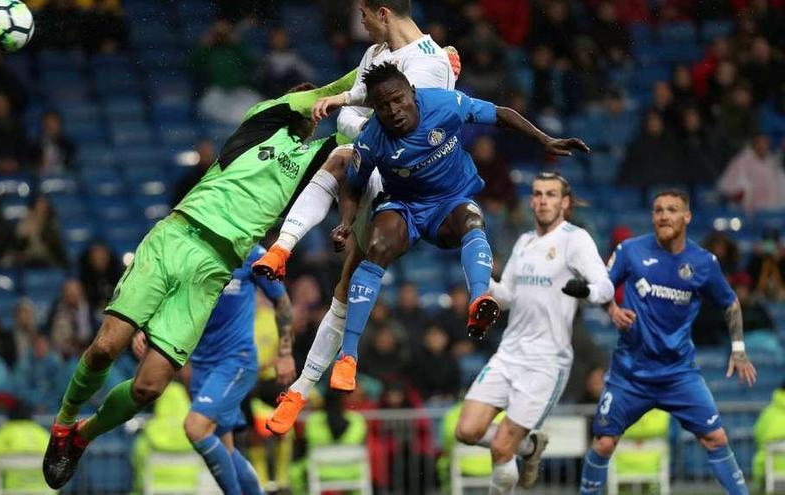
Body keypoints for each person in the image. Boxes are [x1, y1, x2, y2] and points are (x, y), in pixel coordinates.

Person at [41, 69, 358, 489]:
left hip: (214, 268)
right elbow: (333, 90)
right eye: (305, 100)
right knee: (105, 347)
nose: (309, 107)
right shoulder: (262, 120)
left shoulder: (311, 161)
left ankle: (82, 435)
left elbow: (362, 138)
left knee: (149, 387)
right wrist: (374, 69)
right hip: (177, 235)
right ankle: (63, 425)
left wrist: (409, 73)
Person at [322, 62, 589, 397]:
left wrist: (544, 139)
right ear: (374, 109)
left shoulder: (445, 104)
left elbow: (500, 113)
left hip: (450, 201)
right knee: (376, 247)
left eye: (397, 100)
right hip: (404, 206)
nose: (392, 110)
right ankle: (348, 357)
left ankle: (480, 300)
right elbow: (352, 184)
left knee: (472, 221)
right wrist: (345, 223)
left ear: (412, 93)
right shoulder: (372, 139)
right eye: (382, 105)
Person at [260, 0, 463, 435]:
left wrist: (349, 115)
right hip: (377, 171)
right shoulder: (374, 57)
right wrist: (347, 108)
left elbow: (401, 129)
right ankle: (281, 255)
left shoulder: (430, 64)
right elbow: (364, 109)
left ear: (384, 12)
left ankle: (302, 384)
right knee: (344, 285)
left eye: (365, 17)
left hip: (414, 186)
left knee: (342, 148)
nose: (362, 25)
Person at [579, 190, 758, 495]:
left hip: (678, 374)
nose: (663, 215)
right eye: (658, 210)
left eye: (672, 209)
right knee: (604, 442)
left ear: (686, 217)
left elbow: (730, 303)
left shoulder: (703, 262)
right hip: (630, 374)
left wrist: (739, 349)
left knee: (716, 438)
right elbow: (603, 288)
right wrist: (612, 310)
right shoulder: (630, 251)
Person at [455, 172, 614, 493]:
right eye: (538, 194)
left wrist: (586, 292)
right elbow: (508, 298)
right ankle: (530, 447)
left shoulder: (575, 240)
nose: (543, 200)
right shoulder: (525, 242)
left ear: (565, 202)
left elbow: (606, 286)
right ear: (531, 201)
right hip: (510, 354)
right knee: (466, 431)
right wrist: (482, 279)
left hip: (546, 362)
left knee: (501, 448)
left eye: (551, 195)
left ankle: (512, 461)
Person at [131, 245, 293, 495]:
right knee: (225, 449)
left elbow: (281, 301)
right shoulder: (189, 252)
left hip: (236, 360)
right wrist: (146, 327)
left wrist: (285, 353)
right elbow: (170, 295)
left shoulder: (252, 254)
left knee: (195, 428)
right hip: (201, 368)